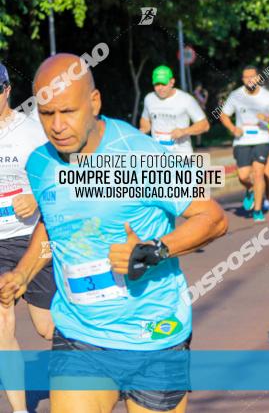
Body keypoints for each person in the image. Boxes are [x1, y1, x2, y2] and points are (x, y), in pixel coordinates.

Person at [0, 53, 227, 413]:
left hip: (153, 336)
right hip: (80, 336)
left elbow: (212, 217)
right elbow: (52, 223)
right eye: (47, 114)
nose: (58, 126)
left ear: (94, 103)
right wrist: (23, 273)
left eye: (68, 112)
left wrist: (155, 250)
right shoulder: (41, 164)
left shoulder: (139, 154)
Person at [0, 64, 54, 413]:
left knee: (47, 328)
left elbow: (62, 176)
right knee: (2, 329)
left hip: (30, 237)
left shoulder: (32, 132)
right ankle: (20, 410)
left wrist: (36, 197)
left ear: (6, 90)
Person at [219, 65, 269, 222]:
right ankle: (251, 189)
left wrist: (267, 119)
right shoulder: (236, 95)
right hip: (242, 140)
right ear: (243, 79)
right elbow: (224, 115)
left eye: (252, 76)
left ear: (258, 78)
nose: (249, 80)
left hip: (262, 138)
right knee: (243, 176)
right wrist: (233, 128)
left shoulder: (267, 96)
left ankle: (258, 210)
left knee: (258, 173)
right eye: (246, 77)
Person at [139, 66, 209, 154]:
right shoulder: (149, 98)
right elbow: (145, 120)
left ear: (172, 82)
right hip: (158, 155)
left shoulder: (186, 99)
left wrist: (184, 131)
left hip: (182, 156)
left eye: (163, 84)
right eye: (157, 84)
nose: (160, 88)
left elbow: (205, 125)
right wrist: (143, 130)